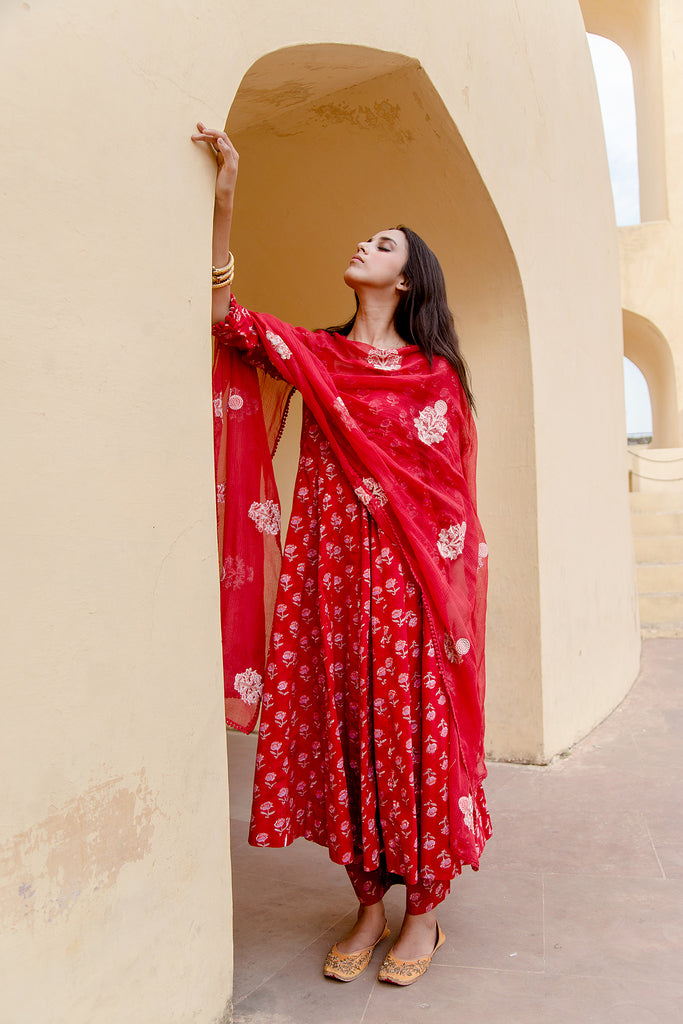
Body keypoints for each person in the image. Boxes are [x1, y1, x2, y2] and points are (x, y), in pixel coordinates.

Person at [192, 122, 491, 986]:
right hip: (330, 588)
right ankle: (367, 900)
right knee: (348, 739)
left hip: (410, 592)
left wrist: (454, 601)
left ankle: (422, 912)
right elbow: (225, 320)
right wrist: (224, 201)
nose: (364, 244)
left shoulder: (434, 377)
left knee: (413, 741)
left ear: (407, 278)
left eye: (384, 242)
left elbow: (450, 504)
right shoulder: (317, 357)